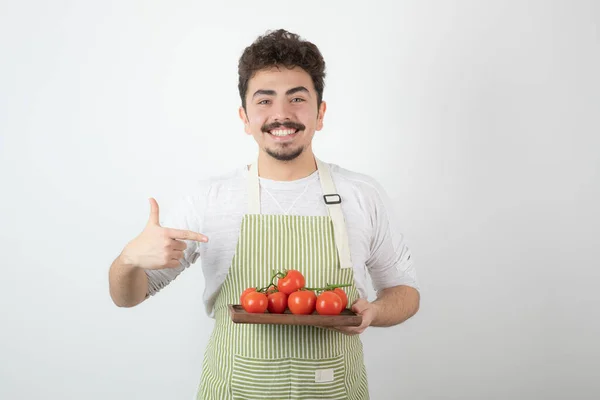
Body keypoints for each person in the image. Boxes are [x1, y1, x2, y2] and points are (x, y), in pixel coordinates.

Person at [108, 28, 420, 400]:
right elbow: (128, 297)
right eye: (264, 101)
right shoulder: (210, 198)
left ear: (320, 113)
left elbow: (405, 292)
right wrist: (128, 259)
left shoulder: (362, 194)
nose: (282, 115)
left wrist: (375, 312)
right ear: (245, 117)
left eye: (297, 98)